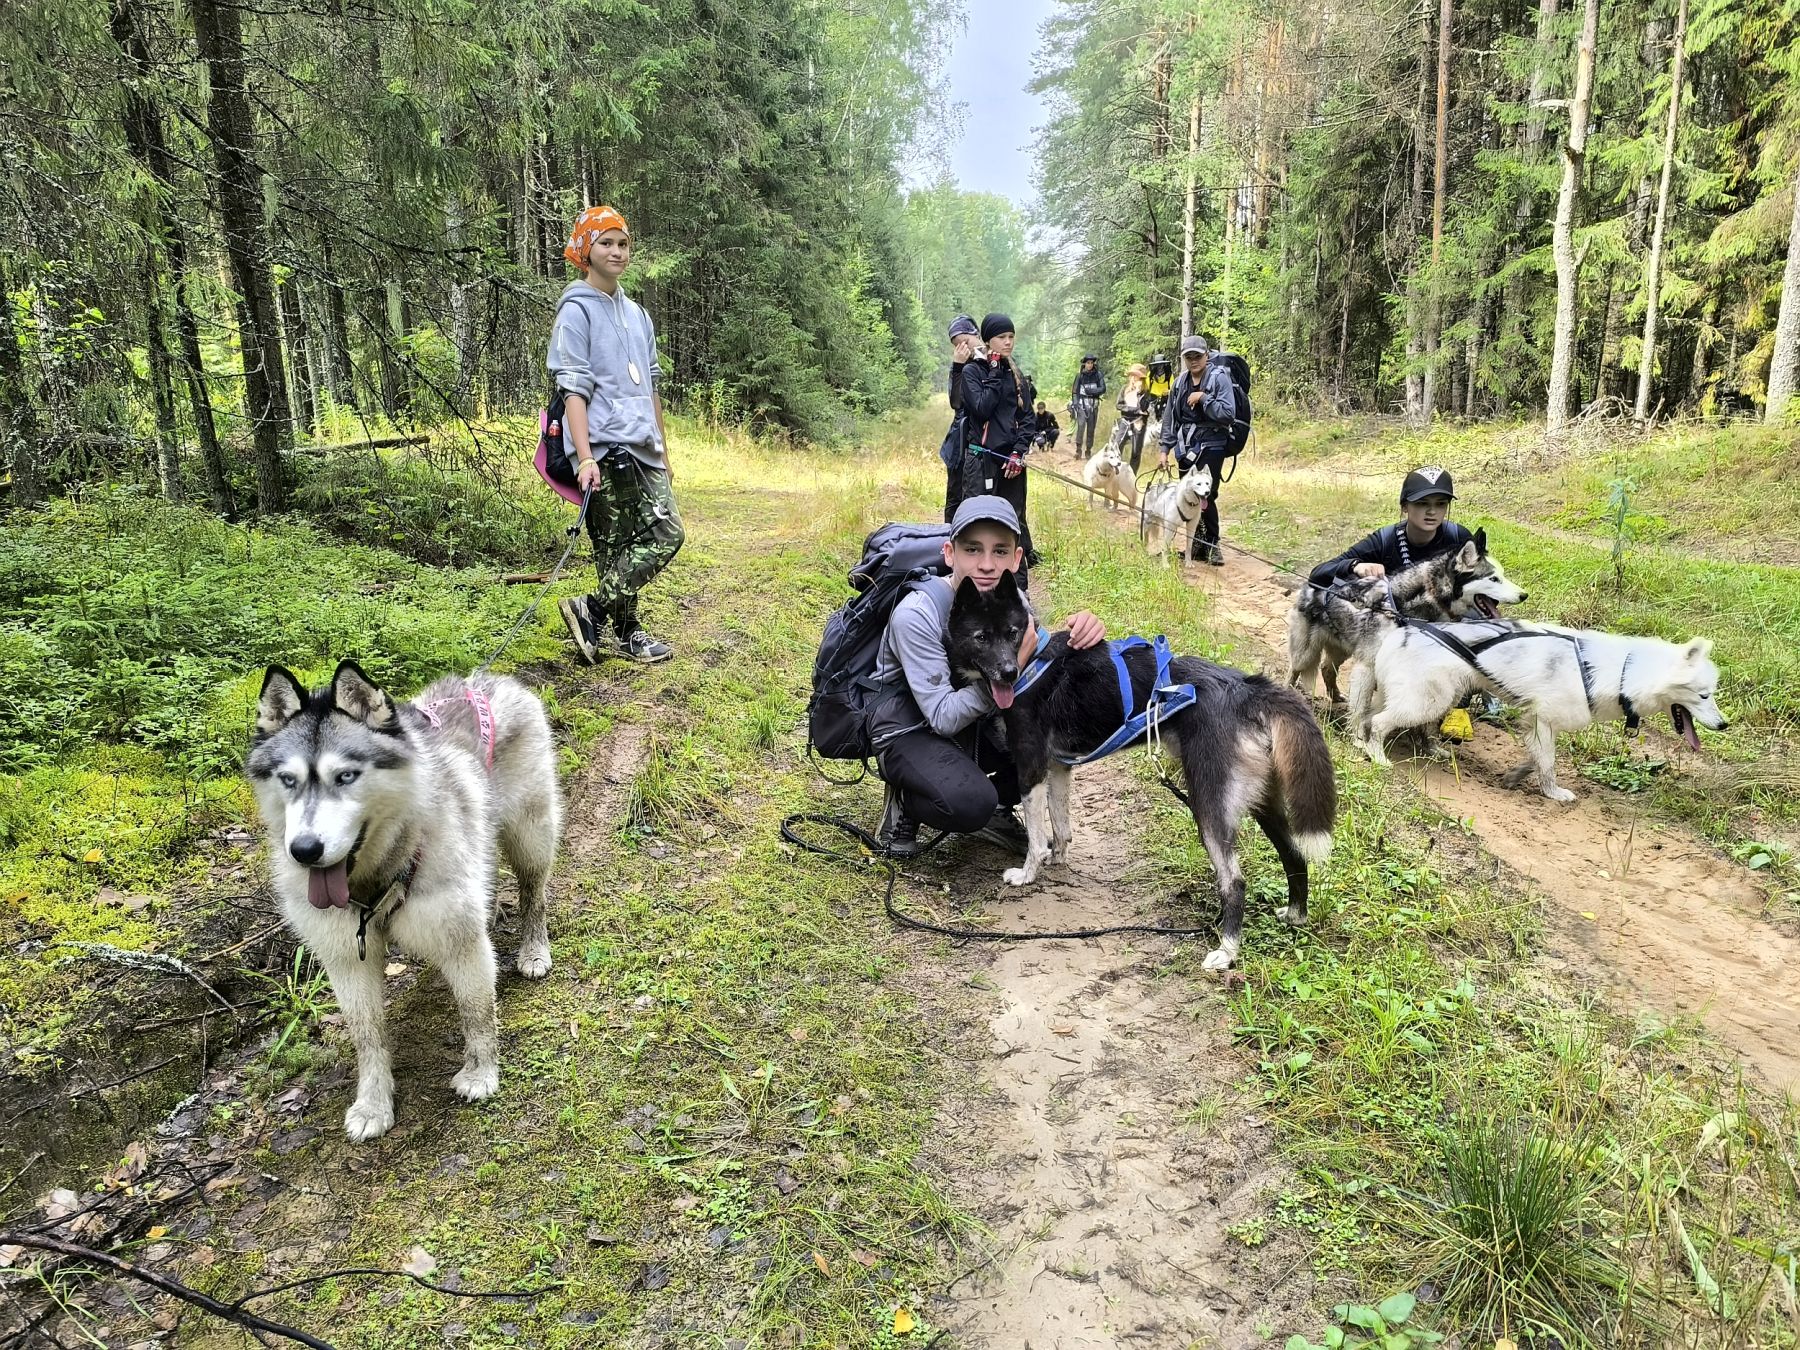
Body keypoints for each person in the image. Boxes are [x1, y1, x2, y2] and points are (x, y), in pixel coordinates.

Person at [868, 495, 1106, 856]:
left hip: (970, 725)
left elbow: (1040, 659)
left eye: (999, 552)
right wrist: (1013, 670)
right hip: (908, 728)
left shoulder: (1011, 600)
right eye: (972, 550)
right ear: (949, 554)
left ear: (1016, 558)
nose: (986, 565)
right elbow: (944, 717)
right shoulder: (917, 615)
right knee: (968, 803)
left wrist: (1081, 632)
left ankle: (992, 799)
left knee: (1037, 745)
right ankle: (909, 798)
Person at [550, 205, 684, 663]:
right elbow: (574, 388)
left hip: (643, 446)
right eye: (606, 242)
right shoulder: (575, 310)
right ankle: (629, 632)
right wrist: (584, 456)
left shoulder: (639, 316)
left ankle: (593, 609)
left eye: (623, 243)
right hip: (603, 447)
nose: (616, 251)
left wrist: (662, 449)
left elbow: (651, 386)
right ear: (587, 250)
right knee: (614, 544)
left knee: (666, 532)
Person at [959, 313, 1040, 570]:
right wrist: (993, 372)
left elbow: (1027, 418)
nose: (1008, 342)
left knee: (1013, 522)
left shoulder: (1016, 376)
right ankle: (972, 581)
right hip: (981, 459)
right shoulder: (972, 371)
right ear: (988, 340)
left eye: (1011, 337)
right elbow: (981, 408)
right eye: (1001, 337)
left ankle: (1017, 590)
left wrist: (1018, 453)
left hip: (1011, 463)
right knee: (978, 521)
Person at [1306, 467, 1474, 586]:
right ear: (1404, 507)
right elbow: (1318, 575)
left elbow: (1486, 587)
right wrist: (1355, 566)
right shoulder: (1384, 541)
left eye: (1440, 504)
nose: (1432, 511)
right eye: (1422, 503)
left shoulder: (1459, 538)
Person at [1158, 334, 1236, 565]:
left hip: (1212, 444)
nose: (1193, 361)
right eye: (1188, 357)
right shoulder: (1180, 382)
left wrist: (1204, 398)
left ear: (1206, 356)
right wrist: (1164, 449)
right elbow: (1169, 418)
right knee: (1188, 496)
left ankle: (1212, 545)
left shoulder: (1218, 379)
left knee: (1206, 495)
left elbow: (1228, 413)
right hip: (1186, 447)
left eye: (1197, 356)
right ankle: (1196, 545)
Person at [941, 315, 981, 522]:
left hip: (986, 440)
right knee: (955, 495)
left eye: (965, 341)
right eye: (957, 345)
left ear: (977, 336)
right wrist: (958, 367)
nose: (962, 347)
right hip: (959, 440)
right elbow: (956, 402)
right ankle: (948, 539)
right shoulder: (958, 366)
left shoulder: (993, 361)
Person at [1115, 362, 1154, 471]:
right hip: (1125, 422)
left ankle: (1131, 476)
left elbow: (1145, 409)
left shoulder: (1145, 392)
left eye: (1136, 375)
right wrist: (1135, 410)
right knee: (1117, 446)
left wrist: (1138, 392)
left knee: (1136, 452)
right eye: (1132, 375)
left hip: (1138, 424)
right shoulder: (1124, 389)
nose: (1133, 378)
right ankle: (1115, 472)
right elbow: (1119, 405)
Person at [1069, 353, 1105, 457]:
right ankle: (1078, 449)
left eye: (1091, 363)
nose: (1089, 365)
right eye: (1088, 363)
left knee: (1091, 428)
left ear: (1093, 363)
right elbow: (1075, 391)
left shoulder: (1098, 375)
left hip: (1093, 405)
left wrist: (1092, 391)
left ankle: (1088, 450)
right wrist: (1075, 404)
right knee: (1080, 426)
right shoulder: (1079, 375)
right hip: (1081, 405)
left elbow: (1103, 388)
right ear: (1084, 363)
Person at [1146, 352, 1173, 422]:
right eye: (1157, 365)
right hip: (1153, 400)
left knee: (1165, 420)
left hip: (1165, 400)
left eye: (1161, 364)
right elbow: (1146, 388)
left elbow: (1173, 389)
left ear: (1164, 364)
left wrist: (1169, 392)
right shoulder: (1150, 375)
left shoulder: (1169, 374)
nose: (1160, 367)